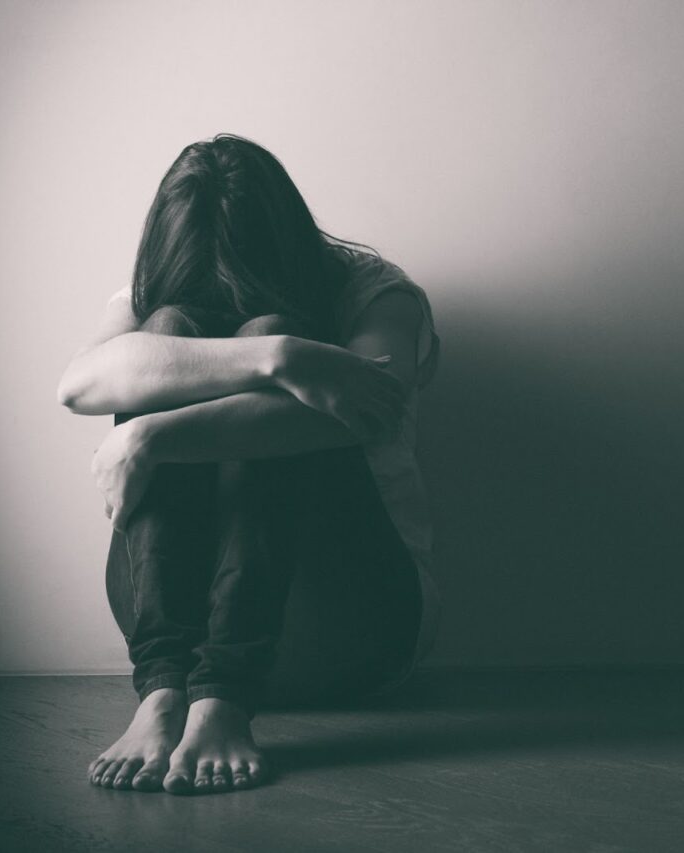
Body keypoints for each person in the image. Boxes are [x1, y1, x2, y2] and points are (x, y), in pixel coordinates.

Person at [55, 134, 441, 795]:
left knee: (255, 335)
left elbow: (370, 409)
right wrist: (282, 359)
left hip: (348, 629)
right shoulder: (152, 290)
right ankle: (165, 695)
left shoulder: (379, 297)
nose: (222, 296)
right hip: (168, 641)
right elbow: (79, 385)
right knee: (167, 330)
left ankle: (225, 693)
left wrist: (153, 435)